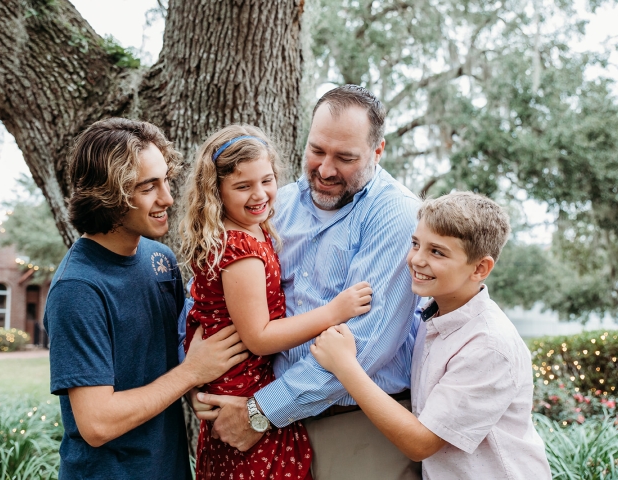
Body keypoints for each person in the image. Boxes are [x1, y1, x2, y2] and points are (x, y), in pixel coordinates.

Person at [195, 85, 422, 479]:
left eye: (345, 158)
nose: (326, 169)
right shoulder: (274, 204)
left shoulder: (396, 214)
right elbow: (213, 294)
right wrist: (196, 375)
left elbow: (364, 345)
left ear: (378, 151)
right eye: (317, 150)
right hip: (271, 428)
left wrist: (261, 411)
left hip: (355, 429)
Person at [44, 118, 249, 480]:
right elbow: (97, 423)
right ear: (108, 194)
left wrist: (206, 393)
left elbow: (175, 360)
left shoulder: (161, 261)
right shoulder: (77, 288)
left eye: (165, 180)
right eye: (148, 187)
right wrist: (191, 373)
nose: (167, 198)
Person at [312, 191, 552, 479]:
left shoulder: (488, 346)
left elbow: (421, 443)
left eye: (437, 252)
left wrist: (344, 365)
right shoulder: (432, 313)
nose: (416, 259)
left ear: (480, 268)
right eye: (415, 244)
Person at [179, 124, 373, 480]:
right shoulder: (240, 248)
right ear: (216, 191)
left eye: (267, 180)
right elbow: (260, 337)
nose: (259, 194)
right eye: (242, 186)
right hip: (242, 389)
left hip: (239, 383)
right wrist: (333, 312)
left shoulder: (249, 229)